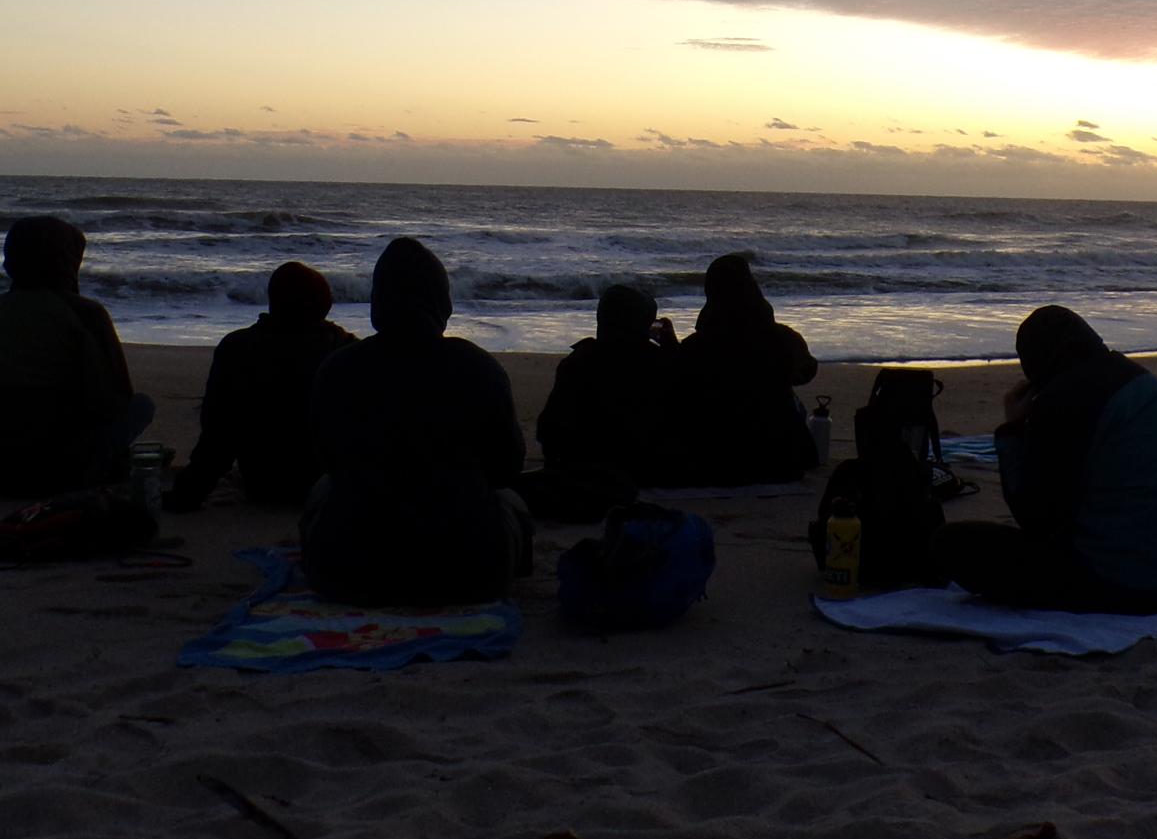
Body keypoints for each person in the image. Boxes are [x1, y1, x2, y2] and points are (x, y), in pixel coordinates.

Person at [931, 305, 1157, 614]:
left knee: (951, 545)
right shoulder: (1145, 382)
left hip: (1127, 585)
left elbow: (1036, 519)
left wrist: (1013, 429)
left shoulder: (1062, 401)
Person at [299, 237, 530, 604]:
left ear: (378, 302)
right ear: (441, 301)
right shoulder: (479, 367)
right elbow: (506, 469)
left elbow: (326, 462)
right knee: (512, 502)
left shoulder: (337, 369)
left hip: (348, 575)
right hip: (469, 575)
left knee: (322, 491)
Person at [0, 215, 153, 497]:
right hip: (63, 473)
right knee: (141, 406)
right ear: (65, 262)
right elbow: (113, 403)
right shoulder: (86, 314)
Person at [165, 262, 355, 512]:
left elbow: (217, 439)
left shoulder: (237, 348)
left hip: (265, 484)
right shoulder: (343, 350)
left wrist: (186, 494)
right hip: (333, 485)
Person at [664, 252, 818, 485]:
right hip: (780, 459)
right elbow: (805, 372)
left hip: (713, 460)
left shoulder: (697, 346)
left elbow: (680, 378)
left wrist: (670, 347)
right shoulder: (783, 339)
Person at [522, 283, 670, 521]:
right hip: (646, 469)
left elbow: (550, 432)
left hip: (584, 472)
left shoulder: (579, 362)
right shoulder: (662, 363)